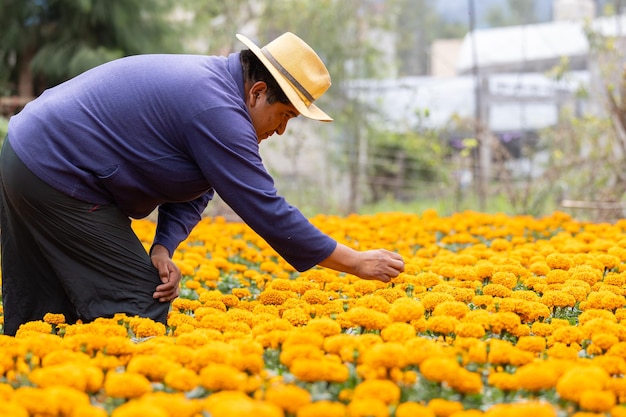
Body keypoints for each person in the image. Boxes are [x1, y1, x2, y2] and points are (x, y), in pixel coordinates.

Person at [0, 32, 405, 336]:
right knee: (137, 307)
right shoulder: (217, 109)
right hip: (55, 171)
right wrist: (354, 261)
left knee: (42, 311)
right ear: (258, 91)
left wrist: (162, 246)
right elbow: (265, 209)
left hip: (24, 155)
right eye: (284, 116)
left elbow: (199, 182)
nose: (281, 130)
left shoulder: (214, 92)